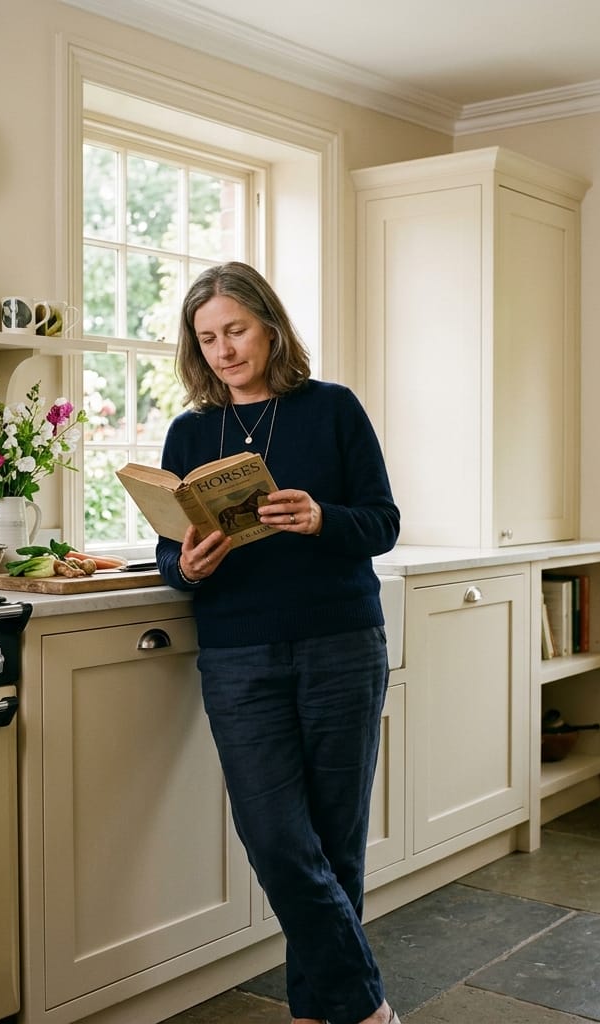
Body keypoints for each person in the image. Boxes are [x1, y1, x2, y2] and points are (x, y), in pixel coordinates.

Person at [155, 262, 402, 1024]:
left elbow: (384, 523)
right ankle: (365, 1009)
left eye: (235, 330)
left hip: (340, 643)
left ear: (269, 326)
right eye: (207, 338)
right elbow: (171, 550)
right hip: (238, 655)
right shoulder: (190, 432)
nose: (224, 350)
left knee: (336, 842)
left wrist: (323, 518)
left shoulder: (332, 410)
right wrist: (185, 566)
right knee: (277, 838)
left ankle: (313, 1012)